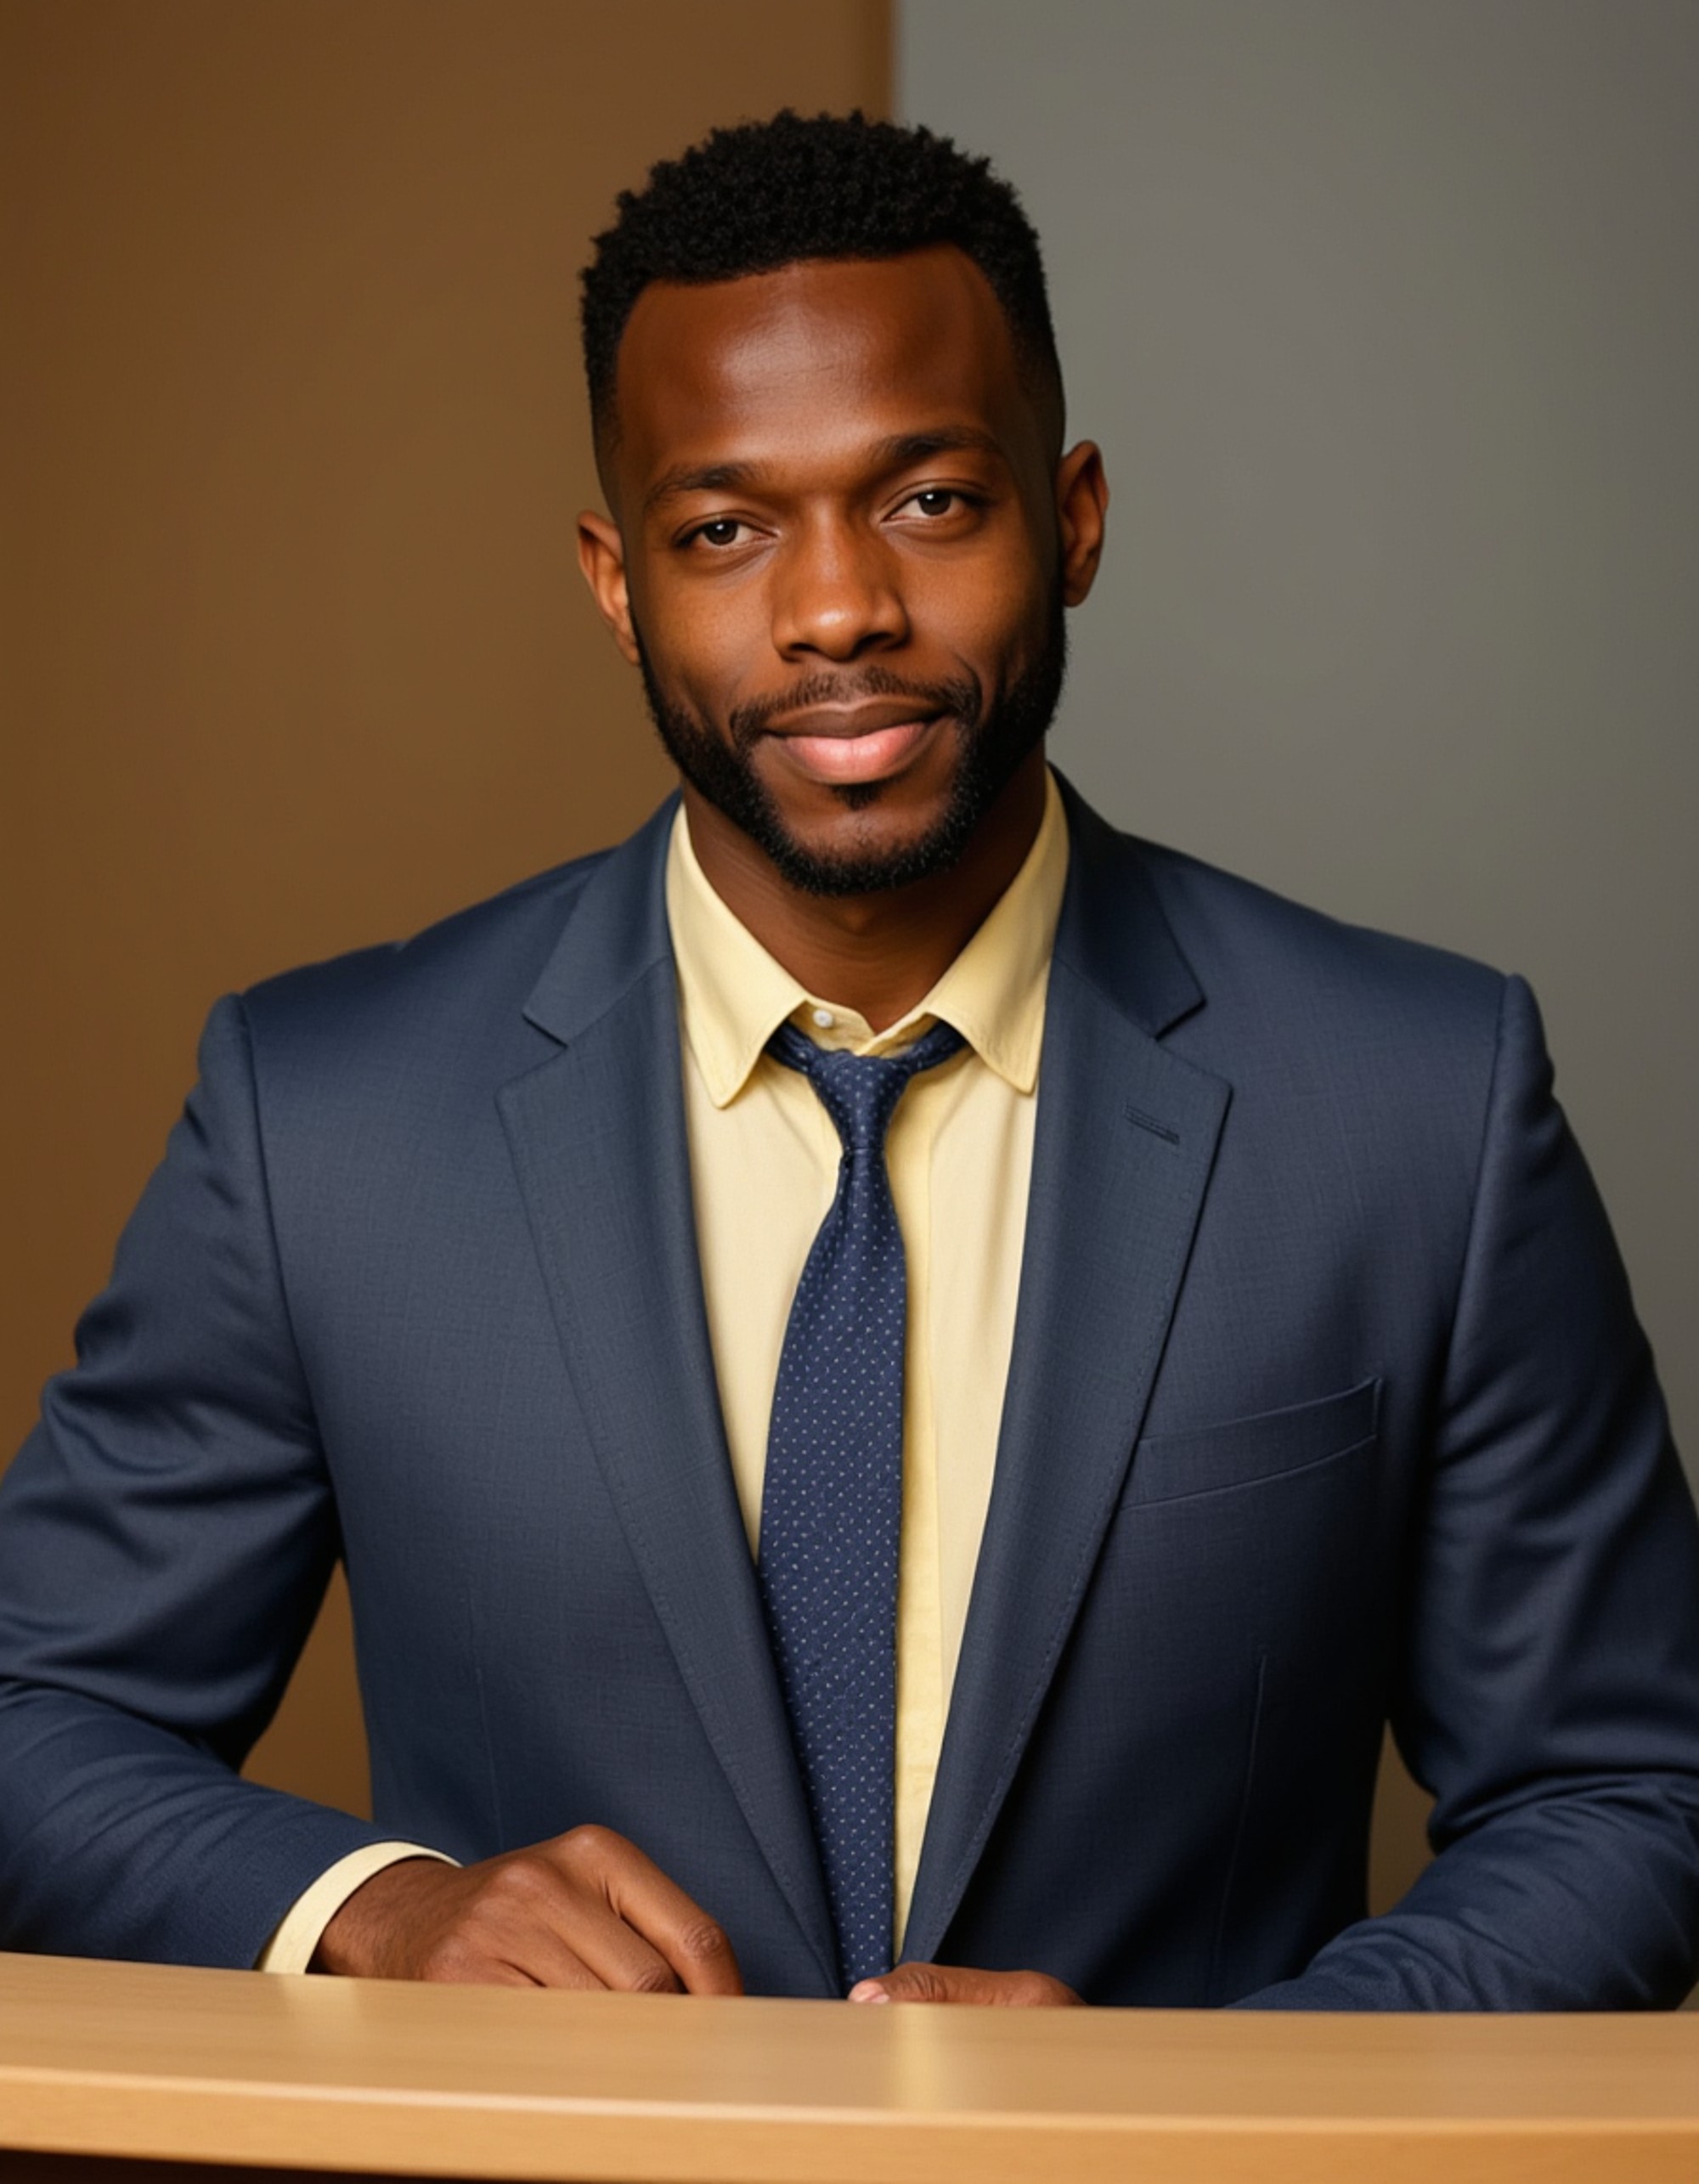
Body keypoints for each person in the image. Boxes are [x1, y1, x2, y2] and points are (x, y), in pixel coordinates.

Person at [2, 111, 1697, 2012]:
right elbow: (32, 1713)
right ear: (613, 578)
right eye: (724, 529)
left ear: (1072, 517)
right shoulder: (321, 1116)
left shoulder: (1414, 1103)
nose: (833, 613)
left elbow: (1625, 1790)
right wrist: (376, 1907)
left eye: (926, 502)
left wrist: (1199, 2099)